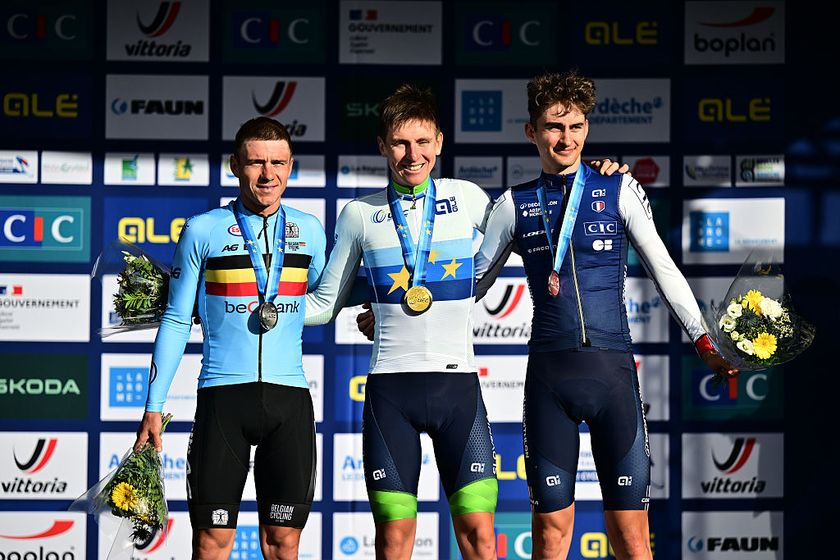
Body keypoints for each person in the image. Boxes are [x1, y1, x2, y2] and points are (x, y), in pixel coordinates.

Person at [473, 70, 739, 560]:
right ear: (531, 131)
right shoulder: (513, 204)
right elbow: (469, 285)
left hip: (613, 377)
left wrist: (704, 340)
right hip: (549, 381)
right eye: (554, 126)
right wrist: (397, 309)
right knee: (551, 538)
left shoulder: (619, 189)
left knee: (633, 542)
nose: (566, 138)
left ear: (587, 129)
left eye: (576, 127)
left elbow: (663, 268)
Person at [304, 84, 499, 560]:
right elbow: (325, 304)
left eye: (423, 142)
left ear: (439, 142)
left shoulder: (469, 198)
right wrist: (234, 303)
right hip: (391, 392)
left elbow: (525, 236)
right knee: (394, 541)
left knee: (479, 536)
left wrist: (595, 173)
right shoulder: (358, 214)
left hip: (459, 390)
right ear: (382, 146)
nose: (413, 155)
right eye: (400, 143)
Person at [132, 116, 326, 560]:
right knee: (212, 543)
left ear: (291, 166)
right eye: (255, 162)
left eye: (278, 163)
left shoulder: (310, 229)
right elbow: (178, 319)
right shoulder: (203, 229)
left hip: (289, 401)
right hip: (223, 399)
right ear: (234, 165)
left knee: (284, 544)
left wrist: (377, 305)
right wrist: (153, 406)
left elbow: (328, 298)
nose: (267, 174)